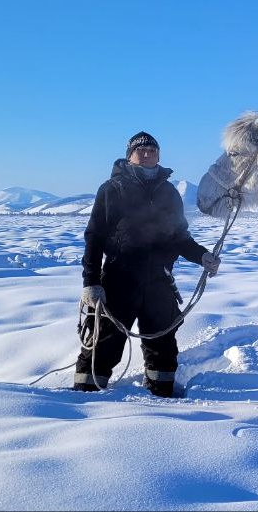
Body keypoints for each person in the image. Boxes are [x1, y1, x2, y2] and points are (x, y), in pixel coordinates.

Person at [74, 131, 220, 397]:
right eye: (140, 150)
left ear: (159, 155)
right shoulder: (112, 189)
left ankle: (162, 399)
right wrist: (91, 282)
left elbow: (180, 238)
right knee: (103, 343)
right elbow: (94, 237)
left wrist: (201, 255)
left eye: (152, 149)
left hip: (159, 282)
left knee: (163, 346)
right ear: (130, 156)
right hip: (119, 280)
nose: (147, 153)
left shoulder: (169, 192)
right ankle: (82, 399)